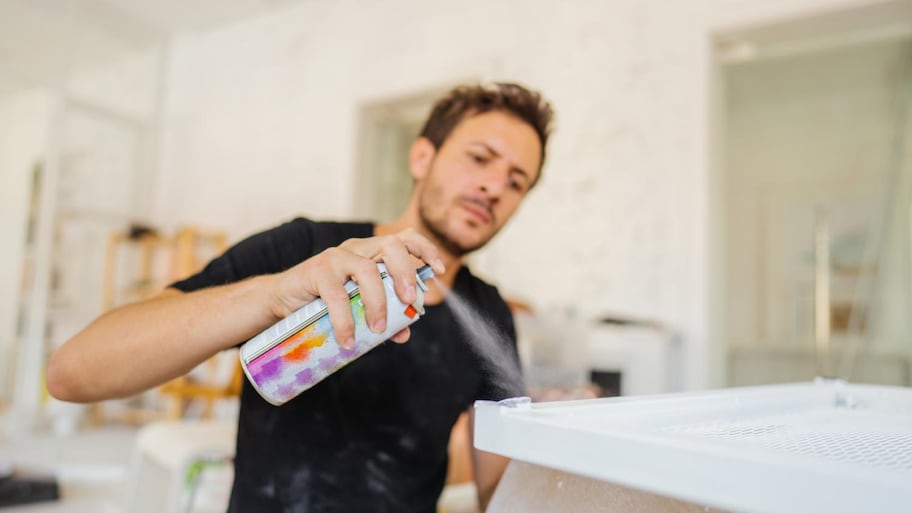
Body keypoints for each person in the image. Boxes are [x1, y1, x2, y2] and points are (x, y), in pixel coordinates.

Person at [47, 81, 554, 513]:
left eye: (516, 181)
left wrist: (561, 433)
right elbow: (72, 372)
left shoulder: (488, 317)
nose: (493, 186)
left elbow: (500, 491)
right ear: (422, 156)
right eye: (480, 158)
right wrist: (271, 297)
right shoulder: (306, 251)